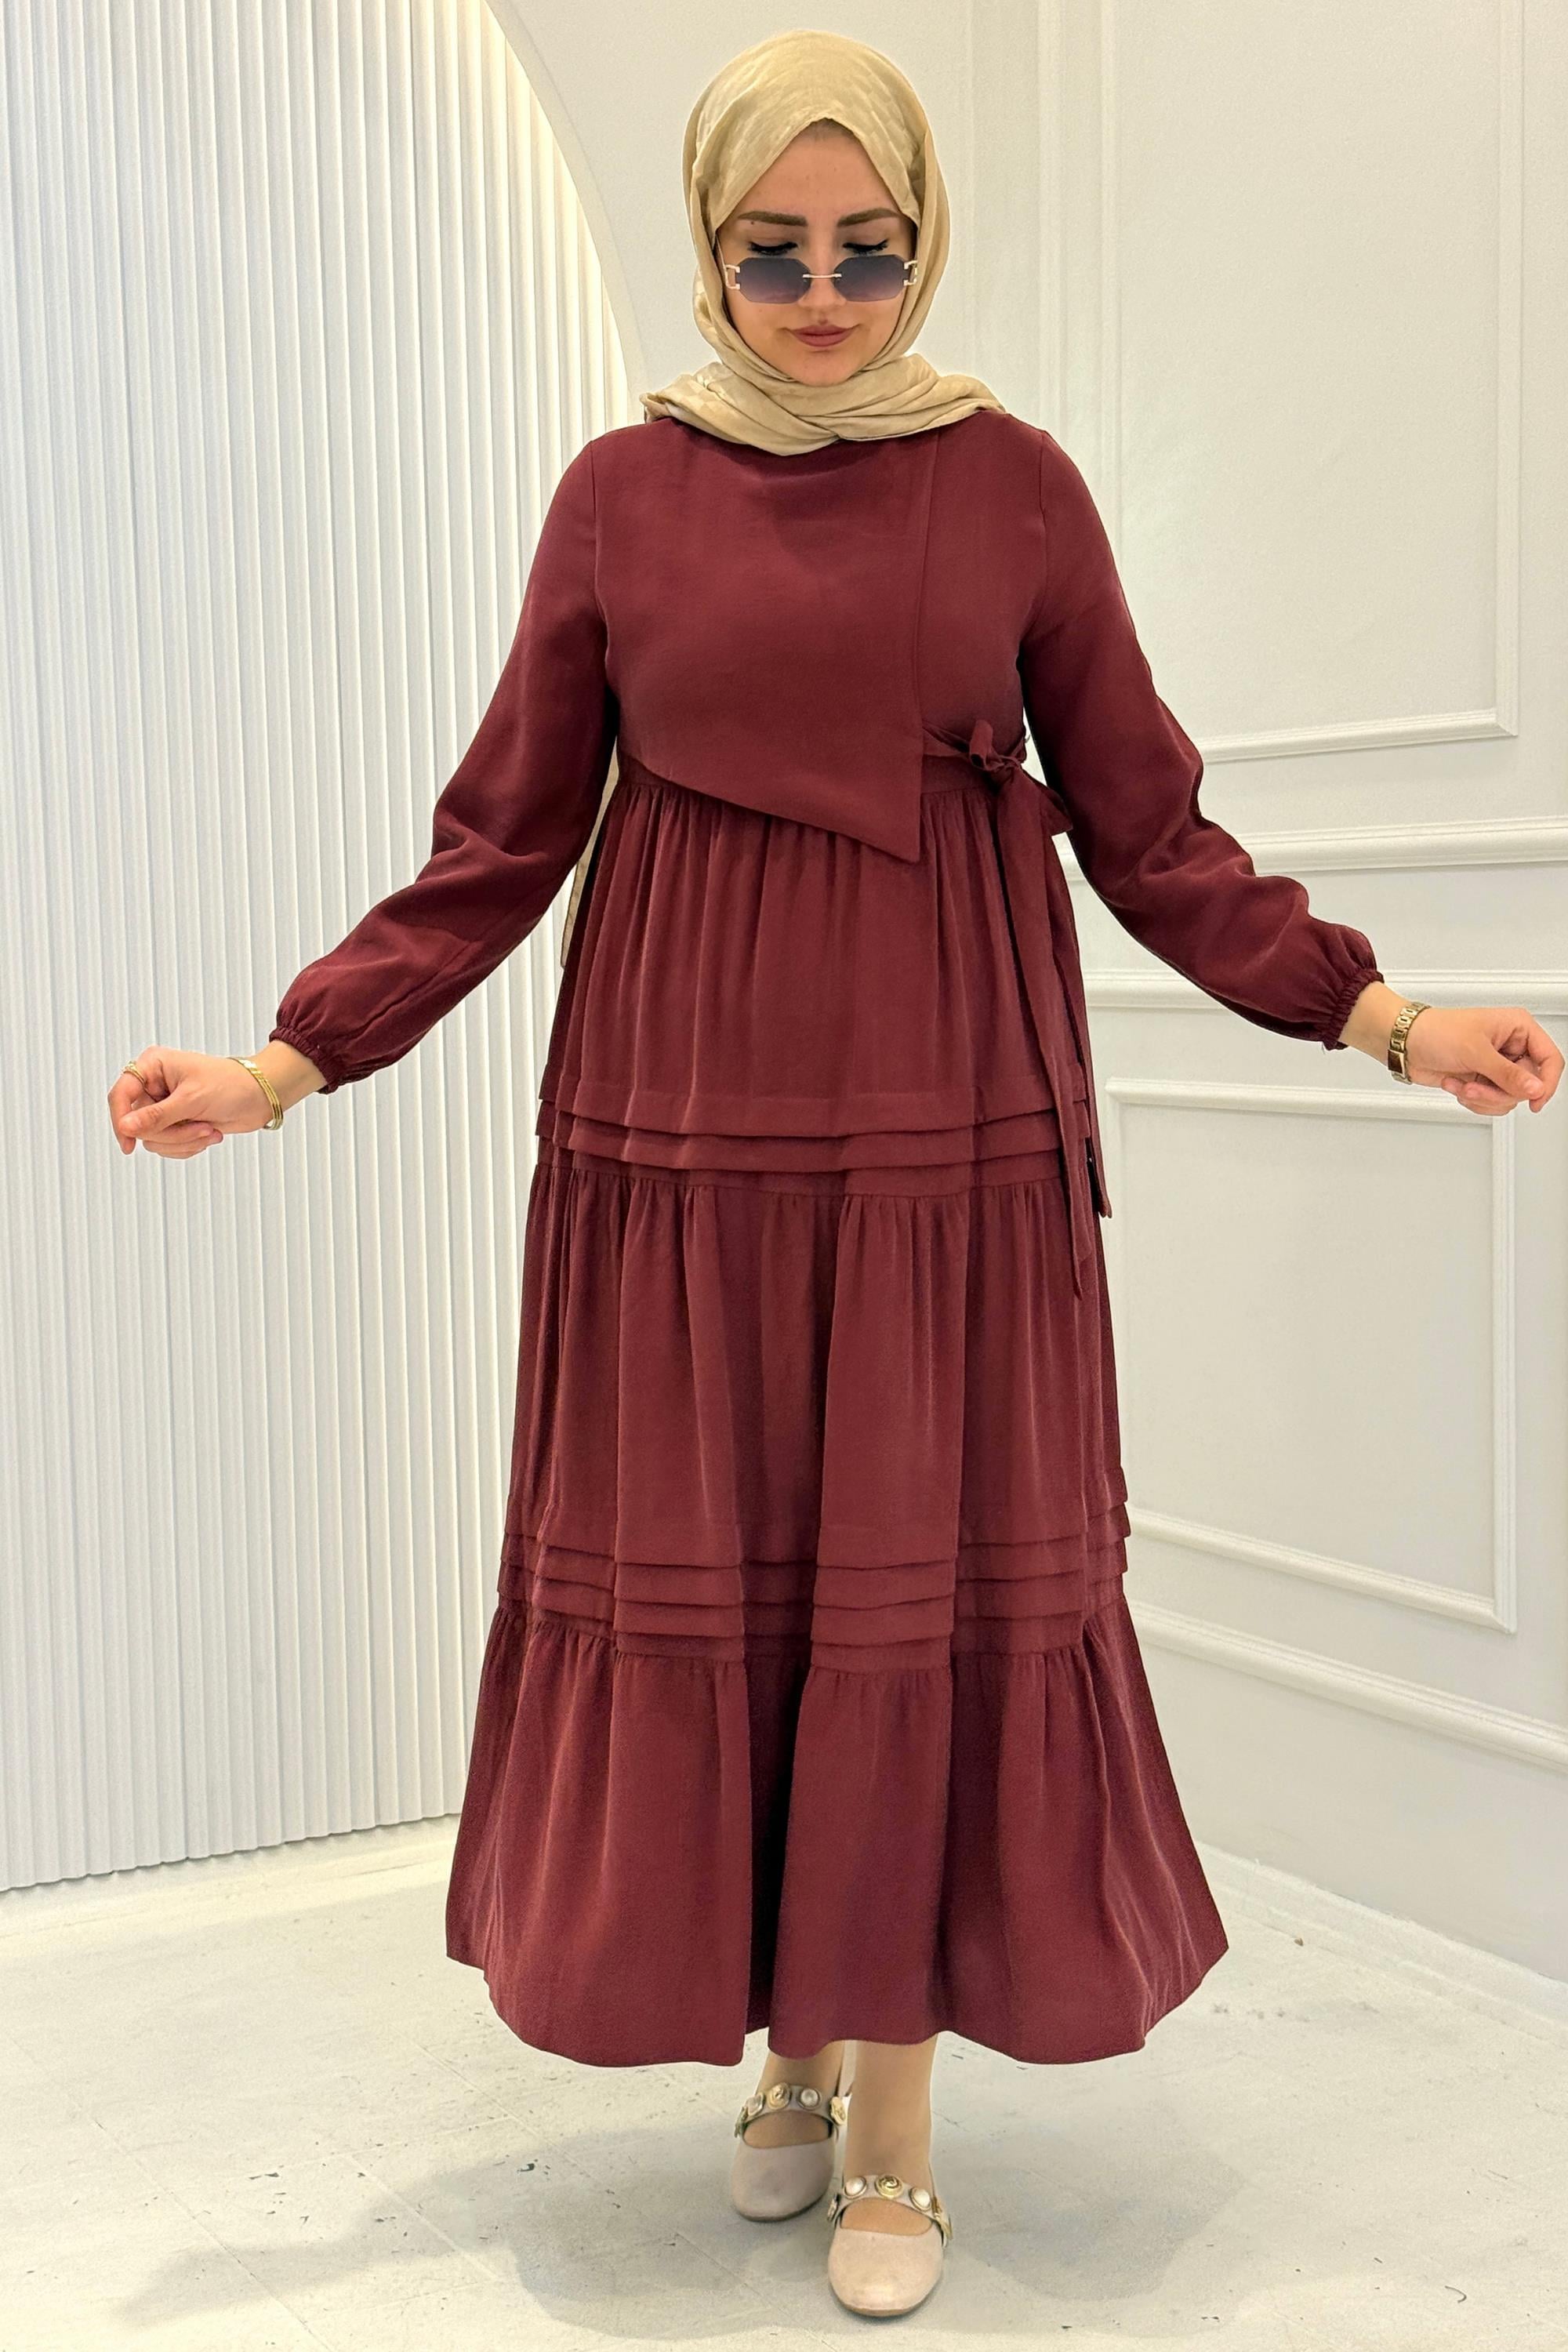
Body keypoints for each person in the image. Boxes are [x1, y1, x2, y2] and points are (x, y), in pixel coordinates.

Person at [107, 27, 1562, 2325]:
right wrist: (284, 1060)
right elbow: (499, 842)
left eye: (866, 250)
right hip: (679, 1127)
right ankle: (782, 2050)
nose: (819, 296)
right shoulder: (619, 491)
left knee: (911, 1571)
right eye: (771, 252)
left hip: (940, 1126)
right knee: (741, 1570)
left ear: (923, 243)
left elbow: (1154, 831)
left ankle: (893, 2116)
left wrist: (1379, 1016)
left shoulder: (1015, 486)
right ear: (708, 253)